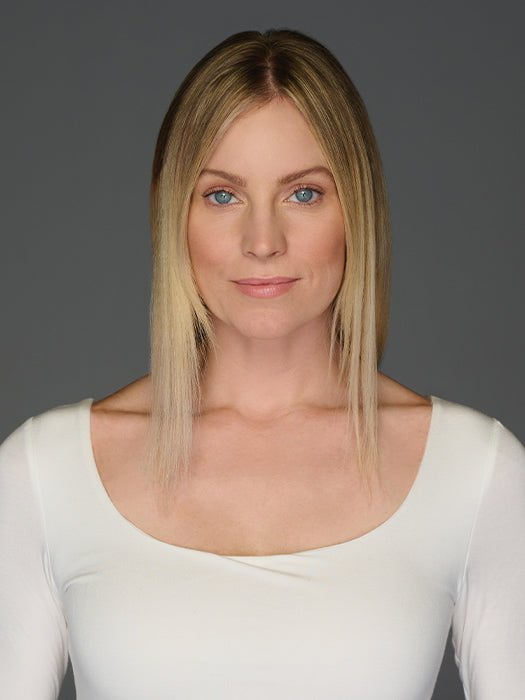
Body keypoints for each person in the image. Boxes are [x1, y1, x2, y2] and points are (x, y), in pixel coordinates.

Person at [1, 27, 524, 700]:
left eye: (303, 193)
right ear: (173, 213)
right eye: (222, 195)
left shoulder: (475, 471)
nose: (262, 241)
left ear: (355, 209)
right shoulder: (43, 474)